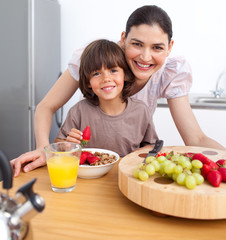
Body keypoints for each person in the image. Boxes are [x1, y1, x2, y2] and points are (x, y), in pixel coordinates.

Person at [11, 5, 225, 177]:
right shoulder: (96, 60)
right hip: (88, 172)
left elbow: (195, 137)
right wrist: (42, 148)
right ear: (123, 38)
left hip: (127, 174)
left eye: (157, 47)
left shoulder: (170, 73)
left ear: (169, 48)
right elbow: (46, 107)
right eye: (137, 44)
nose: (145, 57)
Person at [54, 39, 158, 157]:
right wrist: (68, 145)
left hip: (124, 173)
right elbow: (58, 145)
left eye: (113, 70)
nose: (106, 79)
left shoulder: (141, 110)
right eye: (97, 73)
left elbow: (152, 146)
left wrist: (133, 157)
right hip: (88, 174)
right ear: (88, 82)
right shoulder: (79, 111)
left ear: (125, 75)